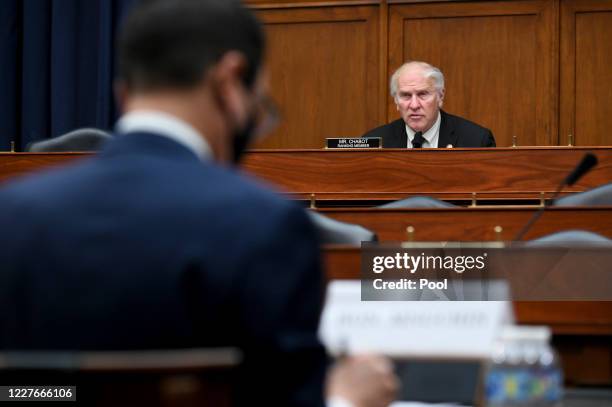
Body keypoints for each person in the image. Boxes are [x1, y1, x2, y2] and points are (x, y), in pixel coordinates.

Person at [0, 1, 397, 406]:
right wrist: (346, 399)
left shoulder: (11, 215)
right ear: (230, 81)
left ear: (125, 92)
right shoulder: (265, 225)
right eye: (260, 102)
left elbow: (20, 393)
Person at [362, 61, 496, 148]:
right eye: (406, 95)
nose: (414, 105)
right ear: (396, 101)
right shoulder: (374, 142)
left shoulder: (476, 141)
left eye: (422, 94)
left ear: (440, 96)